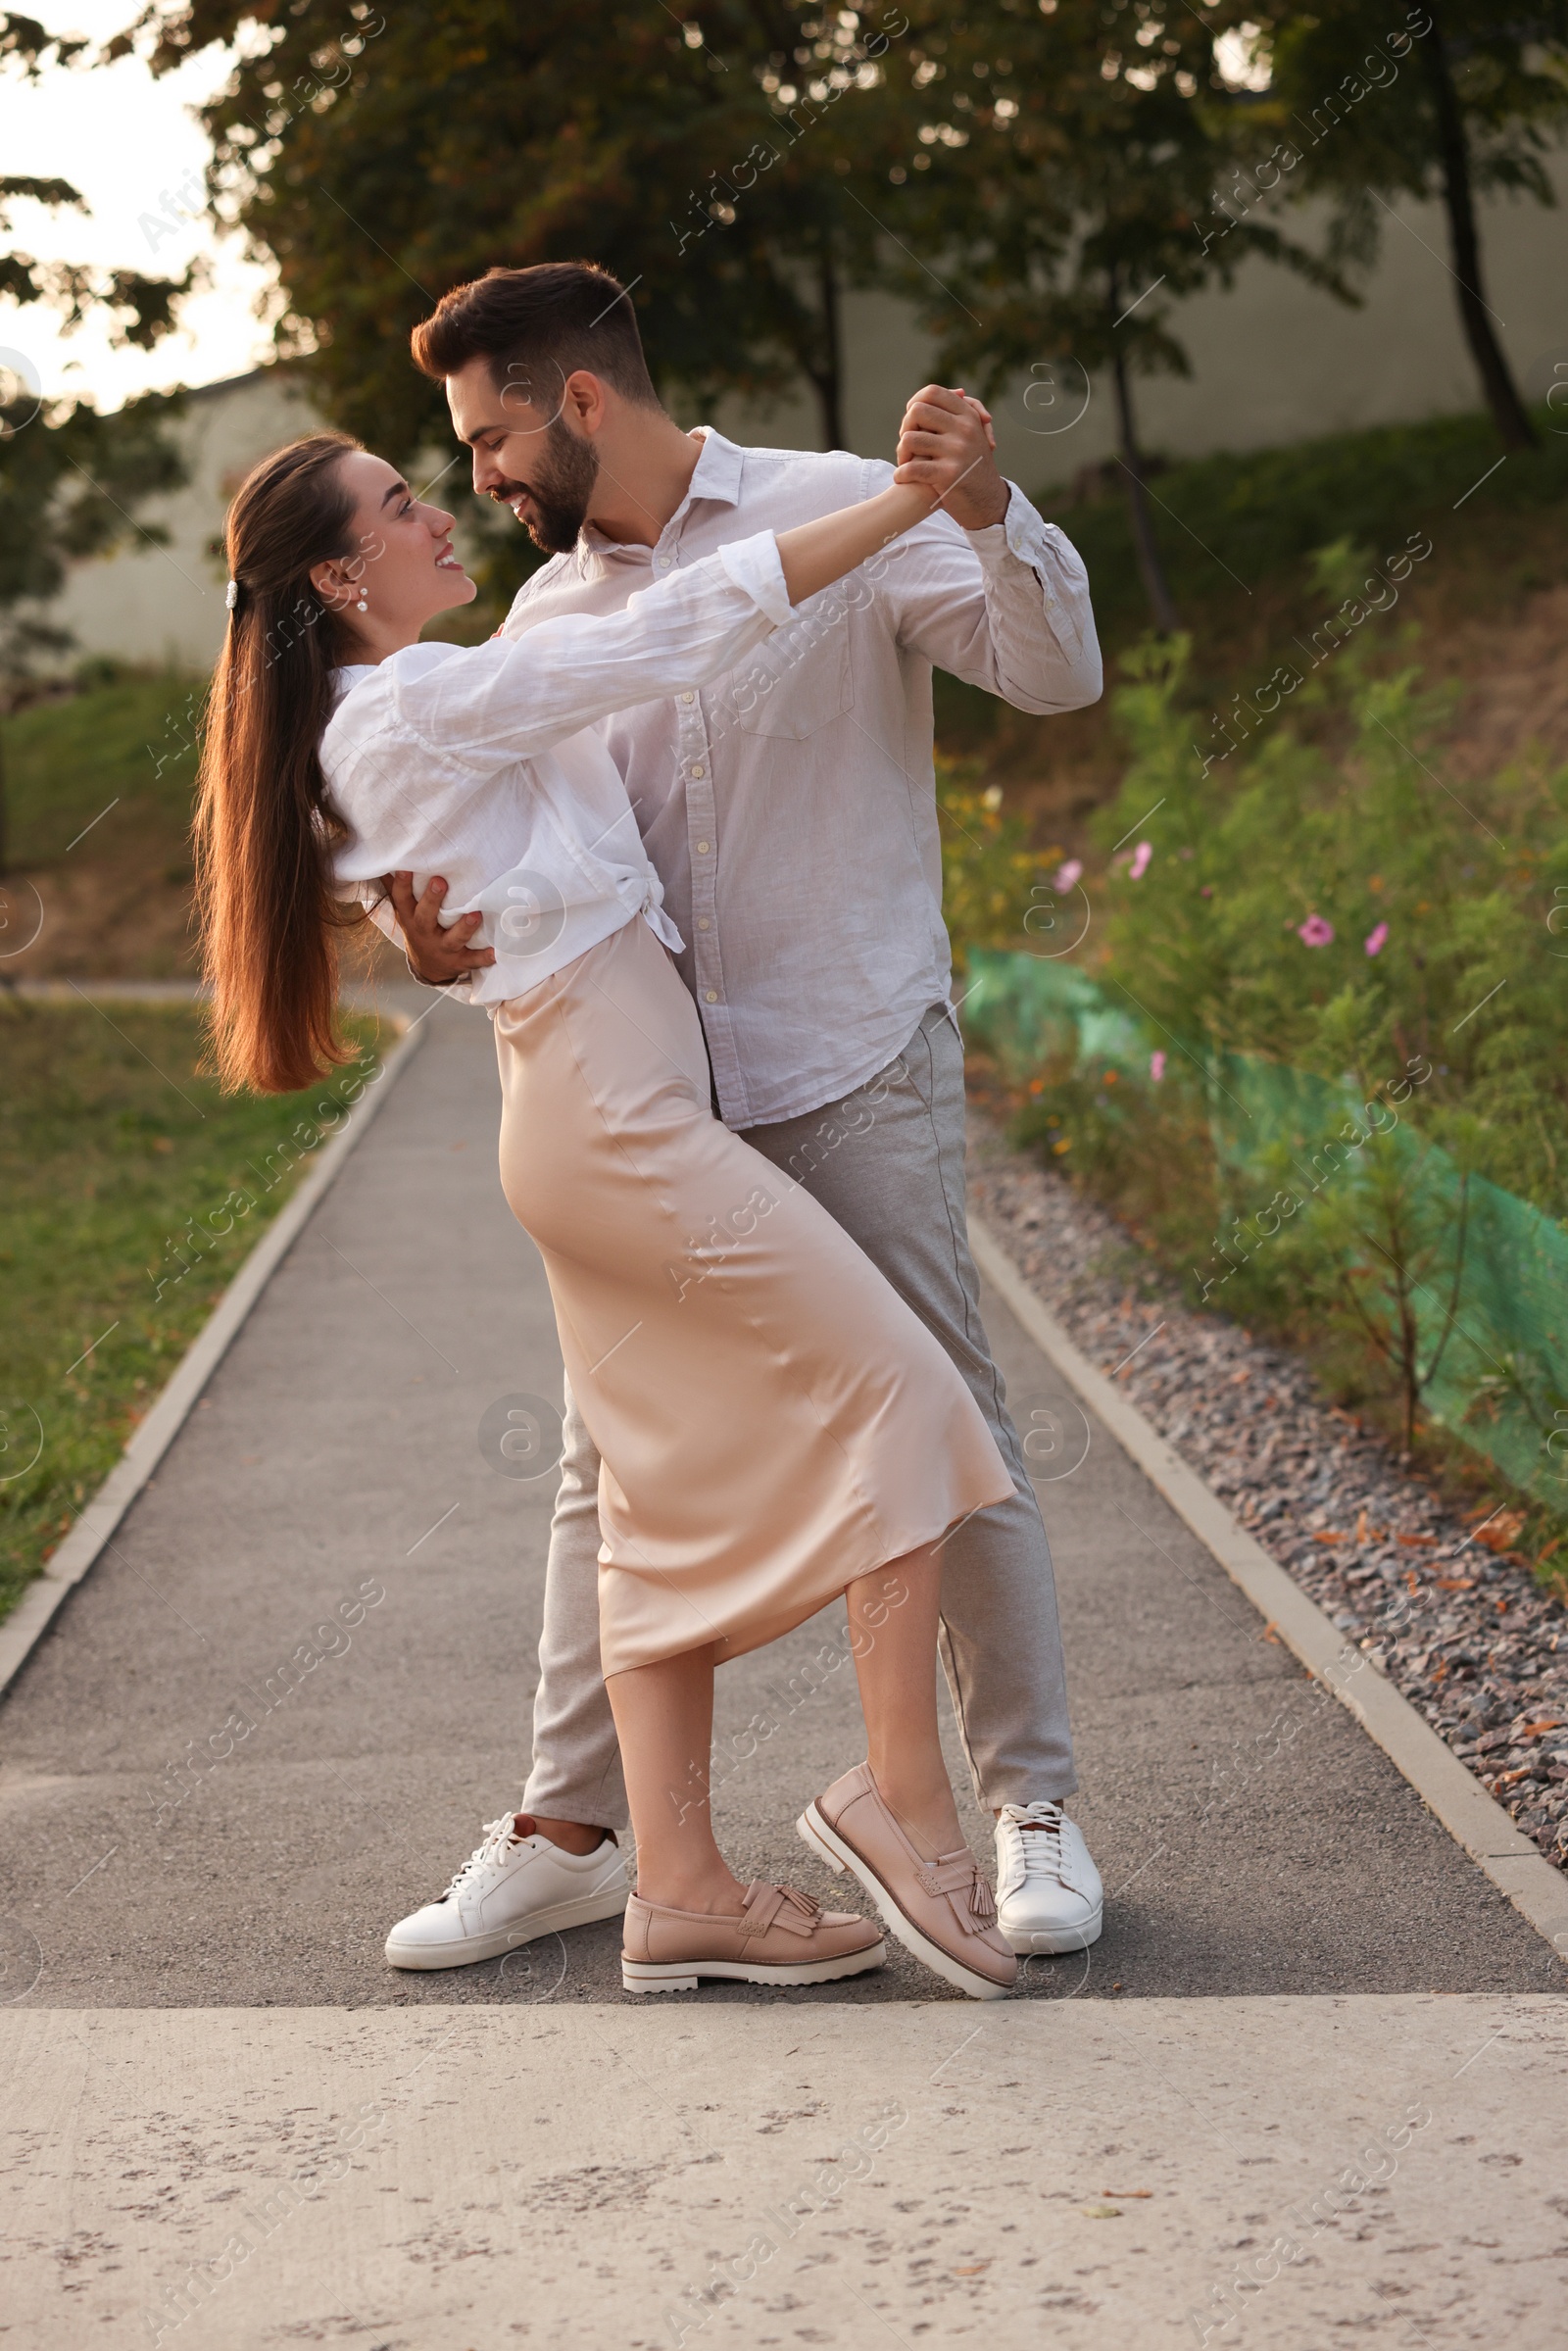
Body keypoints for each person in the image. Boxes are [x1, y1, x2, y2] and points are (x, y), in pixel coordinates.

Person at [194, 416, 1029, 1999]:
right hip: (616, 1120)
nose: (441, 511)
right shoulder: (420, 702)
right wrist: (902, 502)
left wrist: (408, 924)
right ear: (335, 571)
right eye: (399, 500)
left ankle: (682, 1892)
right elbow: (677, 628)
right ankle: (900, 1798)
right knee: (901, 1390)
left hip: (592, 1110)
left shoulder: (387, 713)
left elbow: (366, 850)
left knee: (650, 1504)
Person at [384, 264, 1106, 1966]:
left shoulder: (845, 506)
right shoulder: (550, 625)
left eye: (490, 434)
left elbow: (1053, 671)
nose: (483, 474)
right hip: (661, 1115)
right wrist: (415, 934)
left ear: (578, 402)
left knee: (950, 1422)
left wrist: (992, 505)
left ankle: (1031, 1808)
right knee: (605, 1464)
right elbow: (489, 853)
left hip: (850, 1054)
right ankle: (573, 1831)